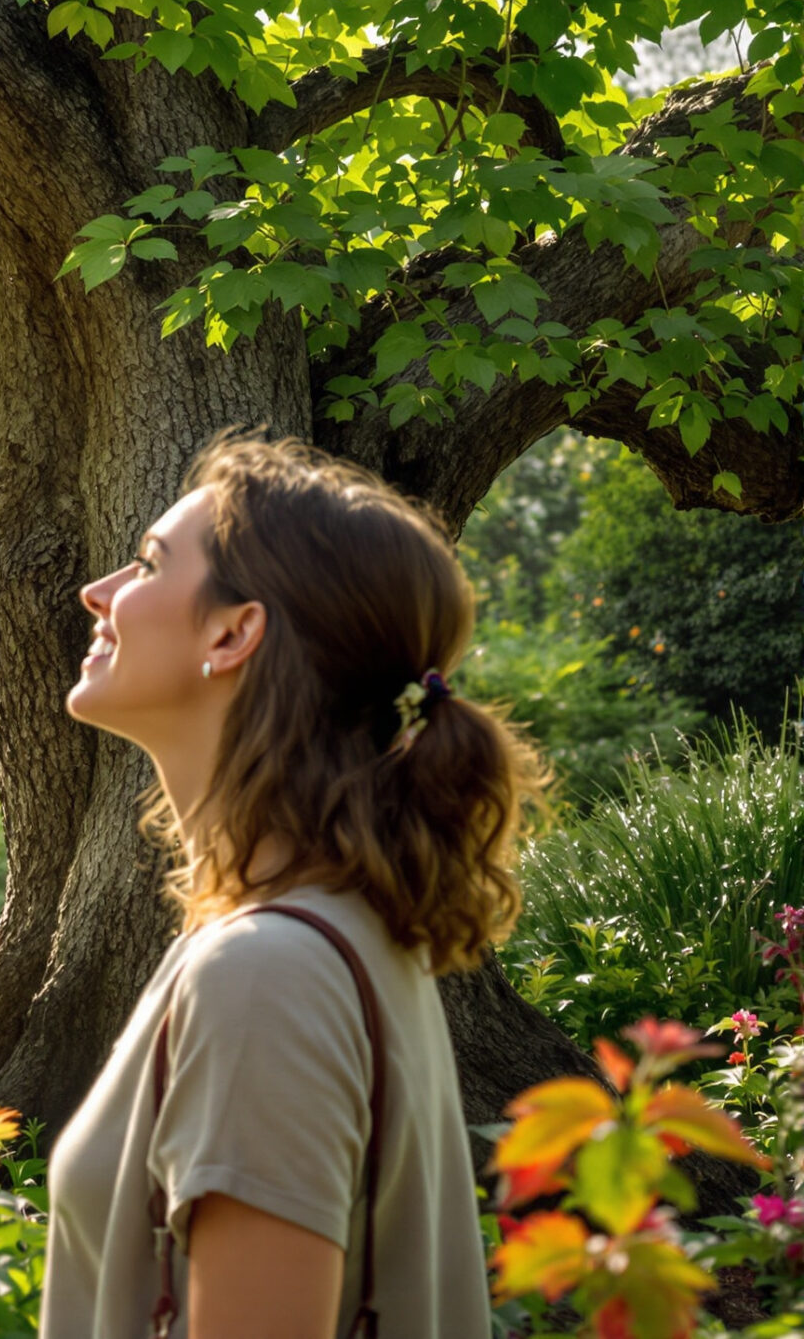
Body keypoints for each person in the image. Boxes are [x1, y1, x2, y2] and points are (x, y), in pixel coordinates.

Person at [39, 434, 544, 1339]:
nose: (99, 592)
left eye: (150, 563)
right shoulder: (306, 937)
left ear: (233, 632)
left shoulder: (267, 974)